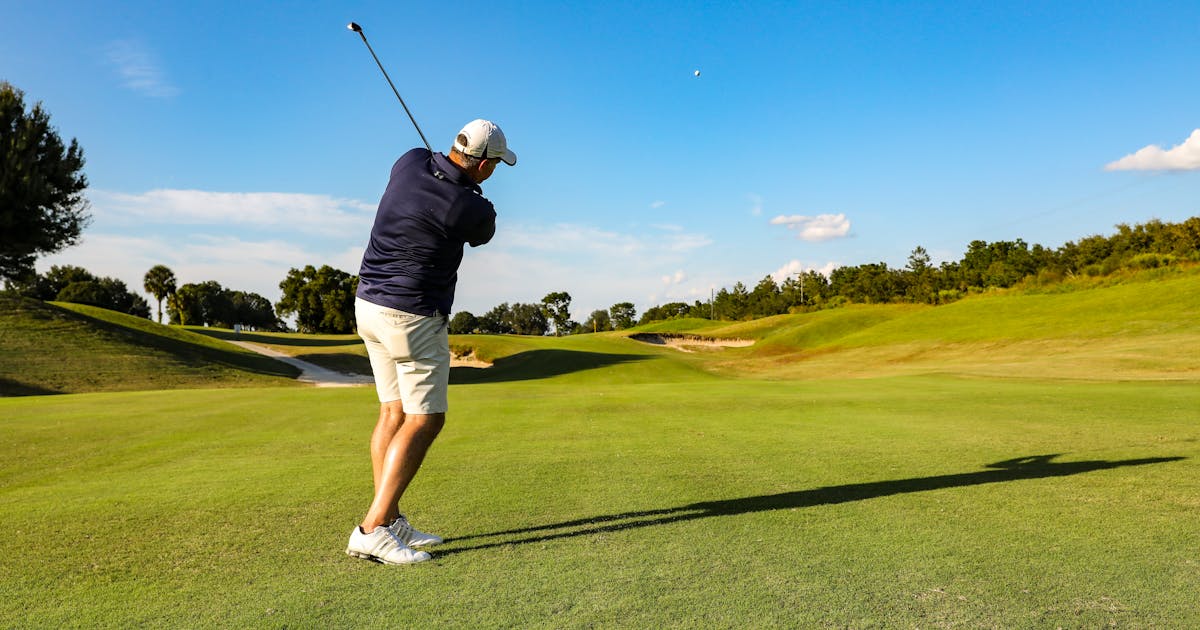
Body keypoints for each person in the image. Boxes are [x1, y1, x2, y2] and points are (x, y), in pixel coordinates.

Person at [345, 119, 516, 565]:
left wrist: (454, 179)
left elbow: (427, 166)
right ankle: (374, 527)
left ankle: (392, 516)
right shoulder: (468, 208)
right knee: (426, 420)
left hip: (368, 306)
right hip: (412, 316)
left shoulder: (408, 161)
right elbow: (484, 230)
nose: (495, 170)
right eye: (495, 164)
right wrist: (473, 193)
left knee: (392, 411)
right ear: (483, 164)